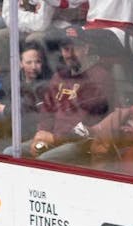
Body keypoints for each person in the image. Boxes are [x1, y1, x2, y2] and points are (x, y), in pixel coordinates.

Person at [19, 27, 113, 163]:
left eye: (74, 48)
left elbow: (88, 124)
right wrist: (41, 134)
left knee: (43, 160)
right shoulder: (59, 76)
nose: (69, 54)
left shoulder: (99, 77)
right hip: (54, 137)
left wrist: (56, 139)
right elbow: (47, 110)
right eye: (65, 49)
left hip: (81, 143)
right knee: (11, 152)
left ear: (86, 49)